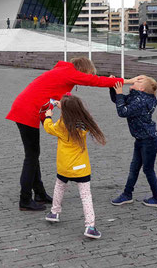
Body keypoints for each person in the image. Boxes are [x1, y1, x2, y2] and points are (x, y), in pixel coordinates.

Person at [6, 57, 124, 211]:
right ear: (82, 70)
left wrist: (48, 123)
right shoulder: (69, 72)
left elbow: (45, 97)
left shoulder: (63, 73)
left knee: (34, 154)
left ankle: (39, 193)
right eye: (86, 74)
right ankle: (25, 199)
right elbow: (94, 81)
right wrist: (127, 81)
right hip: (26, 112)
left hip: (26, 109)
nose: (83, 79)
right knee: (31, 156)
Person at [43, 94, 106, 239]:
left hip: (64, 166)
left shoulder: (61, 124)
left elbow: (49, 128)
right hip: (81, 167)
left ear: (65, 112)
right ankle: (90, 226)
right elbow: (76, 114)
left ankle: (54, 212)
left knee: (59, 186)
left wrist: (48, 116)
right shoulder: (83, 124)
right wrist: (65, 106)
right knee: (85, 196)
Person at [110, 75, 157, 208]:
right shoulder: (137, 96)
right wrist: (112, 87)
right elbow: (118, 101)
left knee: (148, 169)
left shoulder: (140, 101)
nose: (133, 81)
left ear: (141, 88)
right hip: (141, 139)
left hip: (149, 141)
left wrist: (119, 93)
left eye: (137, 81)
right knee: (134, 168)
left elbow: (122, 111)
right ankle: (127, 194)